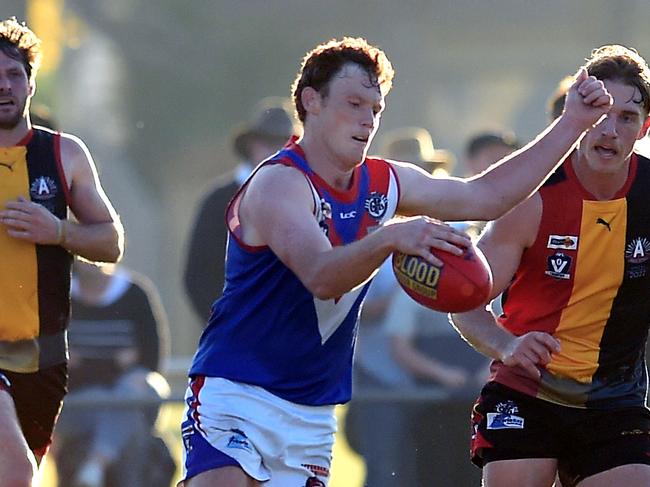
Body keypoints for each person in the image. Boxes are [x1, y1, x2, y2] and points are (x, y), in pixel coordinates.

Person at [178, 36, 611, 487]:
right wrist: (389, 238)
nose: (367, 120)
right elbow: (322, 276)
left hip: (311, 409)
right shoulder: (280, 183)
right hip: (237, 390)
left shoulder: (383, 181)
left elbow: (485, 197)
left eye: (376, 109)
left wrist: (573, 124)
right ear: (312, 101)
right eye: (354, 103)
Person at [450, 44, 650, 487]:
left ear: (644, 127)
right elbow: (463, 302)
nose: (609, 131)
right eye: (599, 114)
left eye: (626, 118)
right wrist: (505, 347)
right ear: (575, 117)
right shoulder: (530, 196)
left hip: (615, 400)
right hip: (526, 393)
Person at [0, 17, 123, 487]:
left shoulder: (64, 155)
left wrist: (57, 231)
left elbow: (111, 241)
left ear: (31, 83)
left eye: (13, 74)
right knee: (15, 475)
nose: (3, 85)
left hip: (45, 358)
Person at [344, 126, 454, 487]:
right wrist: (406, 296)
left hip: (440, 373)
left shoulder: (449, 231)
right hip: (383, 375)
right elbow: (345, 307)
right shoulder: (365, 233)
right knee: (388, 473)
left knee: (438, 471)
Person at [51, 259, 175, 487]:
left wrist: (86, 363)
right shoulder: (60, 296)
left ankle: (94, 465)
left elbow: (151, 357)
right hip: (81, 403)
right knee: (129, 423)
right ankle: (100, 467)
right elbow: (56, 360)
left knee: (132, 393)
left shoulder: (134, 293)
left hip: (127, 392)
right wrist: (117, 362)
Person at [183, 97, 299, 323]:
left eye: (285, 144)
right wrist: (224, 323)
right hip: (233, 330)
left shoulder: (305, 197)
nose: (279, 151)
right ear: (252, 145)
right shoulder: (218, 201)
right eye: (270, 143)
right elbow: (197, 275)